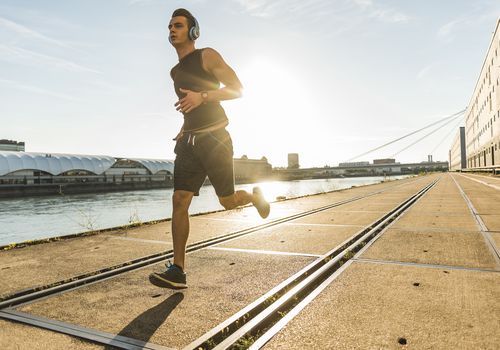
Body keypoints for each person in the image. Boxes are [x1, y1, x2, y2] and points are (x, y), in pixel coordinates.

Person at [149, 8, 270, 290]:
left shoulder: (207, 55)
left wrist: (203, 96)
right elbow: (188, 105)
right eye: (169, 26)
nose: (171, 29)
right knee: (180, 199)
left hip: (215, 139)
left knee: (226, 201)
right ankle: (178, 270)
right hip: (189, 142)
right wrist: (183, 127)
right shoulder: (175, 71)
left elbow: (237, 89)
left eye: (178, 25)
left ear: (193, 31)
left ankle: (253, 196)